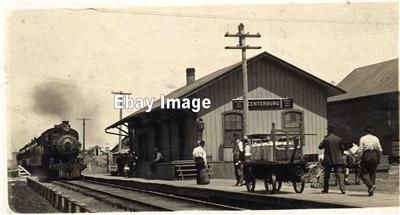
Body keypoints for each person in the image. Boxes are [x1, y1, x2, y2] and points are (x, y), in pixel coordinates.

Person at [319, 125, 346, 194]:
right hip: (338, 159)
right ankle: (342, 188)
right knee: (340, 174)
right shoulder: (338, 138)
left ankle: (326, 189)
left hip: (329, 159)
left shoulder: (326, 139)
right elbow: (342, 149)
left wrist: (323, 140)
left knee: (327, 175)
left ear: (328, 130)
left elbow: (320, 147)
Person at [359, 125, 383, 196]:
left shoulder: (363, 138)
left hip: (366, 155)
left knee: (363, 173)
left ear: (365, 131)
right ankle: (371, 192)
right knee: (372, 173)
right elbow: (380, 149)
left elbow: (361, 149)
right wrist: (378, 159)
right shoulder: (376, 138)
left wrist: (359, 157)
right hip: (375, 155)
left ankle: (370, 185)